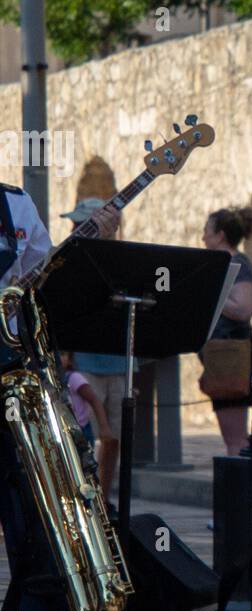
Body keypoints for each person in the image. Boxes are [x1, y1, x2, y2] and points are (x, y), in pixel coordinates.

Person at [0, 186, 119, 611]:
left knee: (36, 515)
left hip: (14, 378)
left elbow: (45, 284)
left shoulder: (15, 205)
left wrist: (90, 249)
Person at [64, 197, 132, 503]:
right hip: (85, 361)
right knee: (83, 432)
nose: (75, 229)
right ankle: (82, 494)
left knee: (114, 436)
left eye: (81, 224)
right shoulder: (71, 258)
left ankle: (103, 498)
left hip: (118, 360)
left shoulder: (123, 259)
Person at [201, 207, 252, 457]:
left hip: (230, 356)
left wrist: (211, 293)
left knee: (235, 439)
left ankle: (236, 493)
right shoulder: (227, 263)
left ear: (220, 235)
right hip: (221, 355)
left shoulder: (236, 264)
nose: (203, 237)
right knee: (232, 437)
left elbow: (244, 309)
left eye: (207, 231)